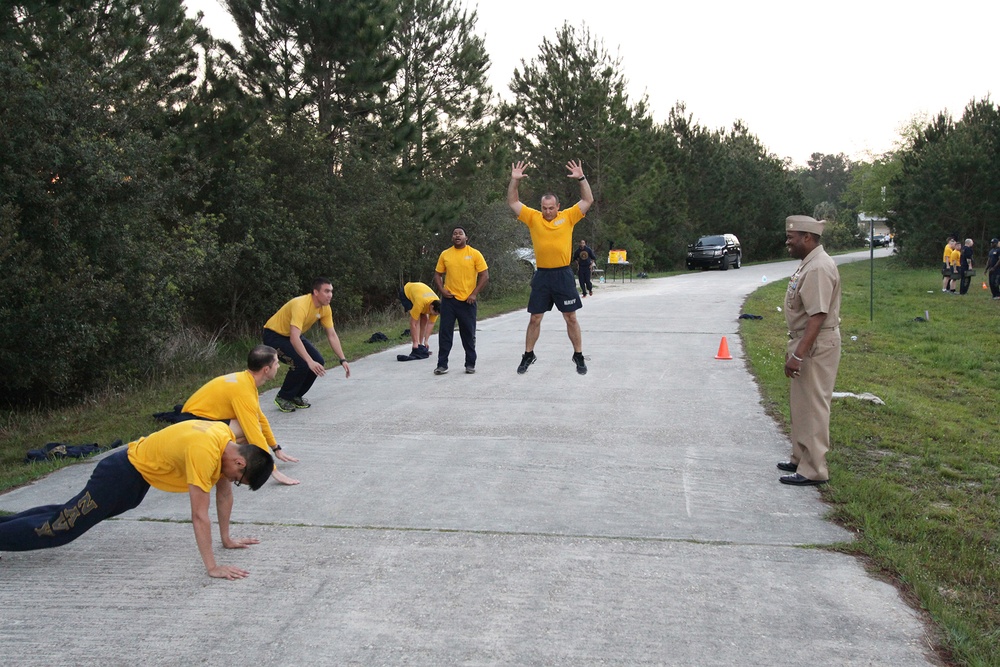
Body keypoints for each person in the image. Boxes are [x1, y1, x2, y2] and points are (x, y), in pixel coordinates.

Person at [0, 420, 273, 580]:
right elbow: (199, 515)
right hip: (119, 474)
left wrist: (226, 539)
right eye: (240, 478)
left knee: (65, 515)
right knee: (62, 528)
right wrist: (212, 567)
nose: (233, 482)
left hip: (133, 478)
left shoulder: (224, 436)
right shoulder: (205, 453)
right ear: (239, 462)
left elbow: (223, 491)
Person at [507, 159, 594, 375]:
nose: (547, 212)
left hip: (563, 274)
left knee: (570, 317)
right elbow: (513, 202)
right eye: (544, 208)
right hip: (543, 275)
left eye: (551, 208)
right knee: (535, 318)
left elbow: (588, 199)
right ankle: (528, 354)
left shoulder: (568, 217)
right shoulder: (533, 218)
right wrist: (514, 181)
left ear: (558, 207)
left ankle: (578, 355)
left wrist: (581, 178)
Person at [777, 215, 842, 486]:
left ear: (807, 237)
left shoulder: (817, 268)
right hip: (805, 341)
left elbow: (817, 316)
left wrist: (799, 354)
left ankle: (813, 469)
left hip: (815, 345)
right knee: (802, 404)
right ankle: (800, 456)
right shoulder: (810, 263)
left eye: (792, 238)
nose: (787, 242)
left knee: (814, 406)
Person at [181, 345, 301, 485]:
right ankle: (210, 462)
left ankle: (217, 460)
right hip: (192, 425)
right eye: (276, 363)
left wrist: (275, 448)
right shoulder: (243, 390)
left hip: (202, 422)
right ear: (266, 369)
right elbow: (254, 432)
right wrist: (272, 470)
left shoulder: (246, 381)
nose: (279, 366)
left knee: (250, 429)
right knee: (247, 432)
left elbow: (260, 419)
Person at [263, 277, 351, 412]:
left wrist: (342, 359)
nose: (330, 295)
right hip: (274, 335)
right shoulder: (301, 305)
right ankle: (283, 397)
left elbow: (332, 334)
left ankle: (296, 395)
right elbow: (294, 338)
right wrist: (309, 361)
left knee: (318, 361)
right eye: (326, 291)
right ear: (316, 292)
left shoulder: (325, 308)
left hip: (292, 335)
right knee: (302, 364)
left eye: (331, 291)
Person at [433, 227, 489, 375]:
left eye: (460, 234)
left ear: (466, 238)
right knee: (445, 333)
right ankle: (442, 364)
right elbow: (437, 274)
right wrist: (442, 290)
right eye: (455, 234)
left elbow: (485, 275)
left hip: (467, 302)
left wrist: (474, 294)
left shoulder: (474, 254)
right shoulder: (446, 254)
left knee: (468, 334)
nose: (457, 236)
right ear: (452, 238)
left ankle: (470, 364)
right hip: (449, 301)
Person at [397, 282, 440, 360]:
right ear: (431, 306)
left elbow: (430, 324)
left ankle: (421, 345)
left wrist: (426, 341)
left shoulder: (437, 303)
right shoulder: (420, 302)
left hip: (420, 291)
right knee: (418, 319)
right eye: (434, 313)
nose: (433, 315)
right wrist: (415, 343)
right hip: (406, 292)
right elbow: (413, 324)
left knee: (425, 319)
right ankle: (417, 344)